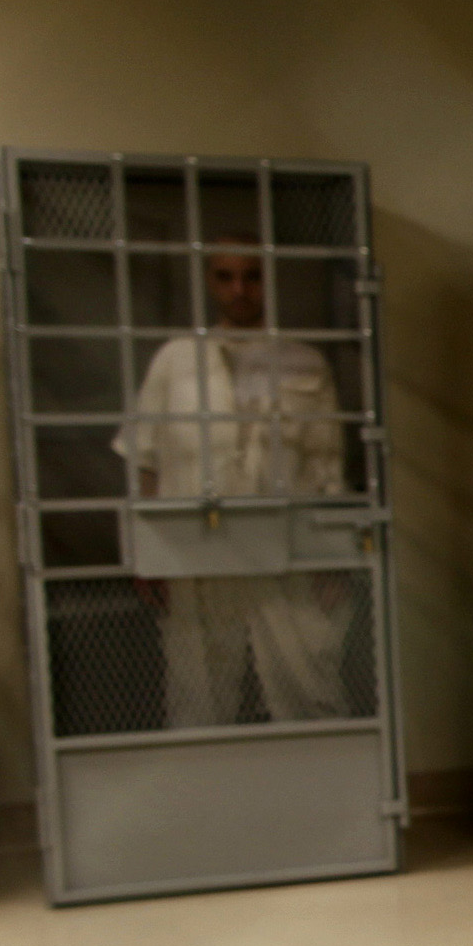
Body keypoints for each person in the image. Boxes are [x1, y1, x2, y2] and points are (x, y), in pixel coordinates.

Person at [116, 239, 356, 727]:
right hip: (196, 546)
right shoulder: (176, 360)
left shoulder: (305, 363)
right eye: (225, 276)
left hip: (284, 545)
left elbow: (327, 466)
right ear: (210, 282)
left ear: (269, 279)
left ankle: (320, 783)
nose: (239, 289)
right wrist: (147, 549)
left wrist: (335, 555)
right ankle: (205, 790)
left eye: (252, 275)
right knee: (198, 684)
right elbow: (146, 461)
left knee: (307, 676)